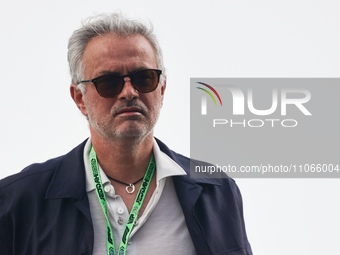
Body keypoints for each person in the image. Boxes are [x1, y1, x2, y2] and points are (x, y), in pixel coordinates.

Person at [0, 12, 252, 255]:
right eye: (108, 82)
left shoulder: (216, 190)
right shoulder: (18, 200)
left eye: (144, 78)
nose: (129, 92)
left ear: (162, 89)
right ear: (80, 98)